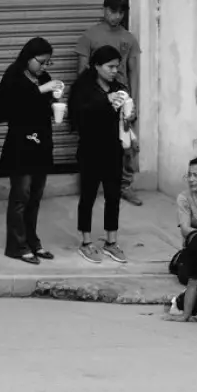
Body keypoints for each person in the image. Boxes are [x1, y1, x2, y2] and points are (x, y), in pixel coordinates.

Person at [0, 37, 61, 264]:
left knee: (35, 195)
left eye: (48, 63)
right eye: (41, 62)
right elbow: (11, 105)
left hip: (41, 141)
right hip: (21, 143)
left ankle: (32, 241)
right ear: (28, 57)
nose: (44, 67)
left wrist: (56, 104)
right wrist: (41, 89)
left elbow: (43, 105)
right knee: (20, 195)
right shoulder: (14, 76)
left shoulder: (44, 77)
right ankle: (16, 244)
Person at [75, 0, 142, 206]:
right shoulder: (89, 36)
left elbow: (133, 72)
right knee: (94, 139)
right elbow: (82, 71)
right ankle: (88, 183)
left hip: (121, 96)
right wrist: (88, 99)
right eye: (112, 11)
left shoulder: (129, 38)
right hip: (97, 96)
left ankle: (125, 185)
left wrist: (134, 101)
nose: (116, 16)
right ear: (104, 9)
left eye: (121, 12)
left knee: (125, 142)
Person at [68, 45, 131, 264]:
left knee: (113, 196)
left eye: (117, 66)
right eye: (110, 66)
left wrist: (128, 115)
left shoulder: (119, 88)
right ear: (96, 66)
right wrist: (105, 100)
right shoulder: (83, 89)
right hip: (90, 149)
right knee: (88, 195)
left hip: (113, 149)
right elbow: (78, 116)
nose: (114, 71)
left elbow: (124, 116)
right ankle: (86, 241)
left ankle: (111, 241)